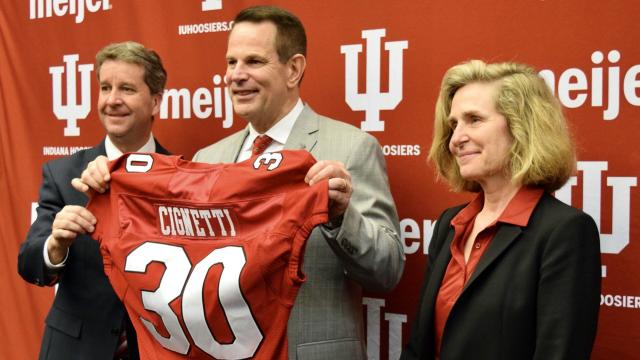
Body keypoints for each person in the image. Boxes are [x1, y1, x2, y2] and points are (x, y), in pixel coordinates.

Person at [75, 6, 405, 359]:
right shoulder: (208, 158)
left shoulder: (350, 147)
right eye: (231, 63)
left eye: (253, 62)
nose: (235, 75)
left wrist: (341, 218)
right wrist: (113, 182)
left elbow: (387, 270)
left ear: (293, 69)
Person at [401, 60, 601, 360]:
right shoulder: (450, 224)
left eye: (474, 120)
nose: (455, 139)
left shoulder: (564, 232)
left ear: (522, 127)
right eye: (454, 124)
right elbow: (419, 347)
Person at [18, 41, 170, 360]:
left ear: (155, 101)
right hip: (73, 350)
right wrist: (55, 245)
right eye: (105, 88)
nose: (112, 100)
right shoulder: (62, 174)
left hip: (157, 351)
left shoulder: (182, 177)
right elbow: (29, 263)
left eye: (126, 88)